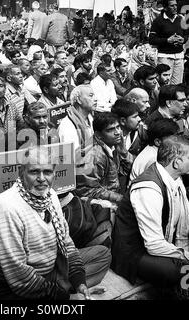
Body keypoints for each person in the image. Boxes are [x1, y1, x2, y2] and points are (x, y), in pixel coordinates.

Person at [0, 145, 111, 300]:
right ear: (21, 173)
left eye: (47, 172)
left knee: (102, 255)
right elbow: (19, 278)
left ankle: (64, 289)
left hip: (49, 270)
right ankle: (58, 292)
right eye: (34, 171)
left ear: (54, 174)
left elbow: (66, 242)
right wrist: (66, 298)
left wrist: (79, 282)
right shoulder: (6, 209)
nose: (41, 178)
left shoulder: (50, 196)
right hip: (12, 288)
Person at [112, 135, 189, 299]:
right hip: (134, 253)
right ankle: (181, 294)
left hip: (160, 244)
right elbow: (153, 244)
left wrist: (184, 248)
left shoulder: (176, 178)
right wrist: (184, 254)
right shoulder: (148, 187)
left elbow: (183, 225)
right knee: (179, 269)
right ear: (176, 162)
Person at [75, 112, 133, 203]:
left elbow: (124, 172)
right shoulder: (94, 156)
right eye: (110, 130)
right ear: (98, 135)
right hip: (98, 208)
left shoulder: (112, 144)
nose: (117, 133)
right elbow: (87, 191)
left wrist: (124, 152)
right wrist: (121, 199)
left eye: (118, 127)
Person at [149, 0, 188, 85]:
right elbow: (151, 39)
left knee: (178, 85)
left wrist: (183, 39)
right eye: (172, 6)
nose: (175, 7)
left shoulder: (181, 19)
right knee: (165, 85)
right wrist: (167, 40)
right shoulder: (158, 21)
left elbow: (186, 35)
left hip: (179, 56)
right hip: (165, 57)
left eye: (176, 5)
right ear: (166, 7)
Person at [129, 118, 179, 182]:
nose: (177, 142)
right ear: (158, 142)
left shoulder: (154, 151)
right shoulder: (153, 160)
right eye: (174, 139)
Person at [58, 84, 96, 153]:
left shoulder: (90, 118)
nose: (95, 99)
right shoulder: (67, 125)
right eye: (91, 96)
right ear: (78, 100)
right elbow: (69, 156)